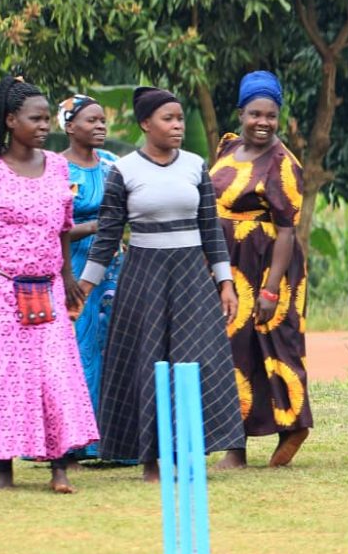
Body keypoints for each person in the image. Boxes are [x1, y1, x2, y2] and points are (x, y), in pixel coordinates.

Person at [78, 86, 244, 481]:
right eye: (168, 119)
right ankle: (149, 460)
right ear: (145, 124)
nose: (177, 126)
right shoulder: (124, 171)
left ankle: (188, 453)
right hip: (143, 278)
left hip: (190, 277)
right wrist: (84, 288)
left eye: (180, 119)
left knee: (196, 360)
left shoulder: (194, 165)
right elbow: (107, 238)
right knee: (147, 362)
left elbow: (211, 228)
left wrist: (225, 282)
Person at [0, 75, 98, 492]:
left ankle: (59, 468)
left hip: (47, 288)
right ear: (11, 120)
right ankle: (4, 473)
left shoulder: (58, 167)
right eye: (36, 118)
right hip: (2, 290)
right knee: (5, 377)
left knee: (55, 375)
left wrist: (67, 278)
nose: (45, 125)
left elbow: (64, 227)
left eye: (47, 119)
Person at [210, 71, 313, 468]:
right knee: (232, 351)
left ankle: (292, 427)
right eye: (255, 113)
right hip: (231, 267)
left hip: (270, 267)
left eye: (271, 115)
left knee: (276, 346)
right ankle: (234, 444)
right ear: (241, 113)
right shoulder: (227, 148)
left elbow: (287, 232)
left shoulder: (283, 163)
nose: (263, 122)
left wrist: (270, 291)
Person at [55, 94, 122, 462]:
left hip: (114, 268)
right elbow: (55, 225)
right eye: (90, 120)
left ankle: (108, 439)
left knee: (111, 346)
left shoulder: (113, 165)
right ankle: (74, 440)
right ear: (68, 126)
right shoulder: (55, 169)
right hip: (73, 268)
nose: (100, 126)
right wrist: (98, 225)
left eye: (102, 121)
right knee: (78, 350)